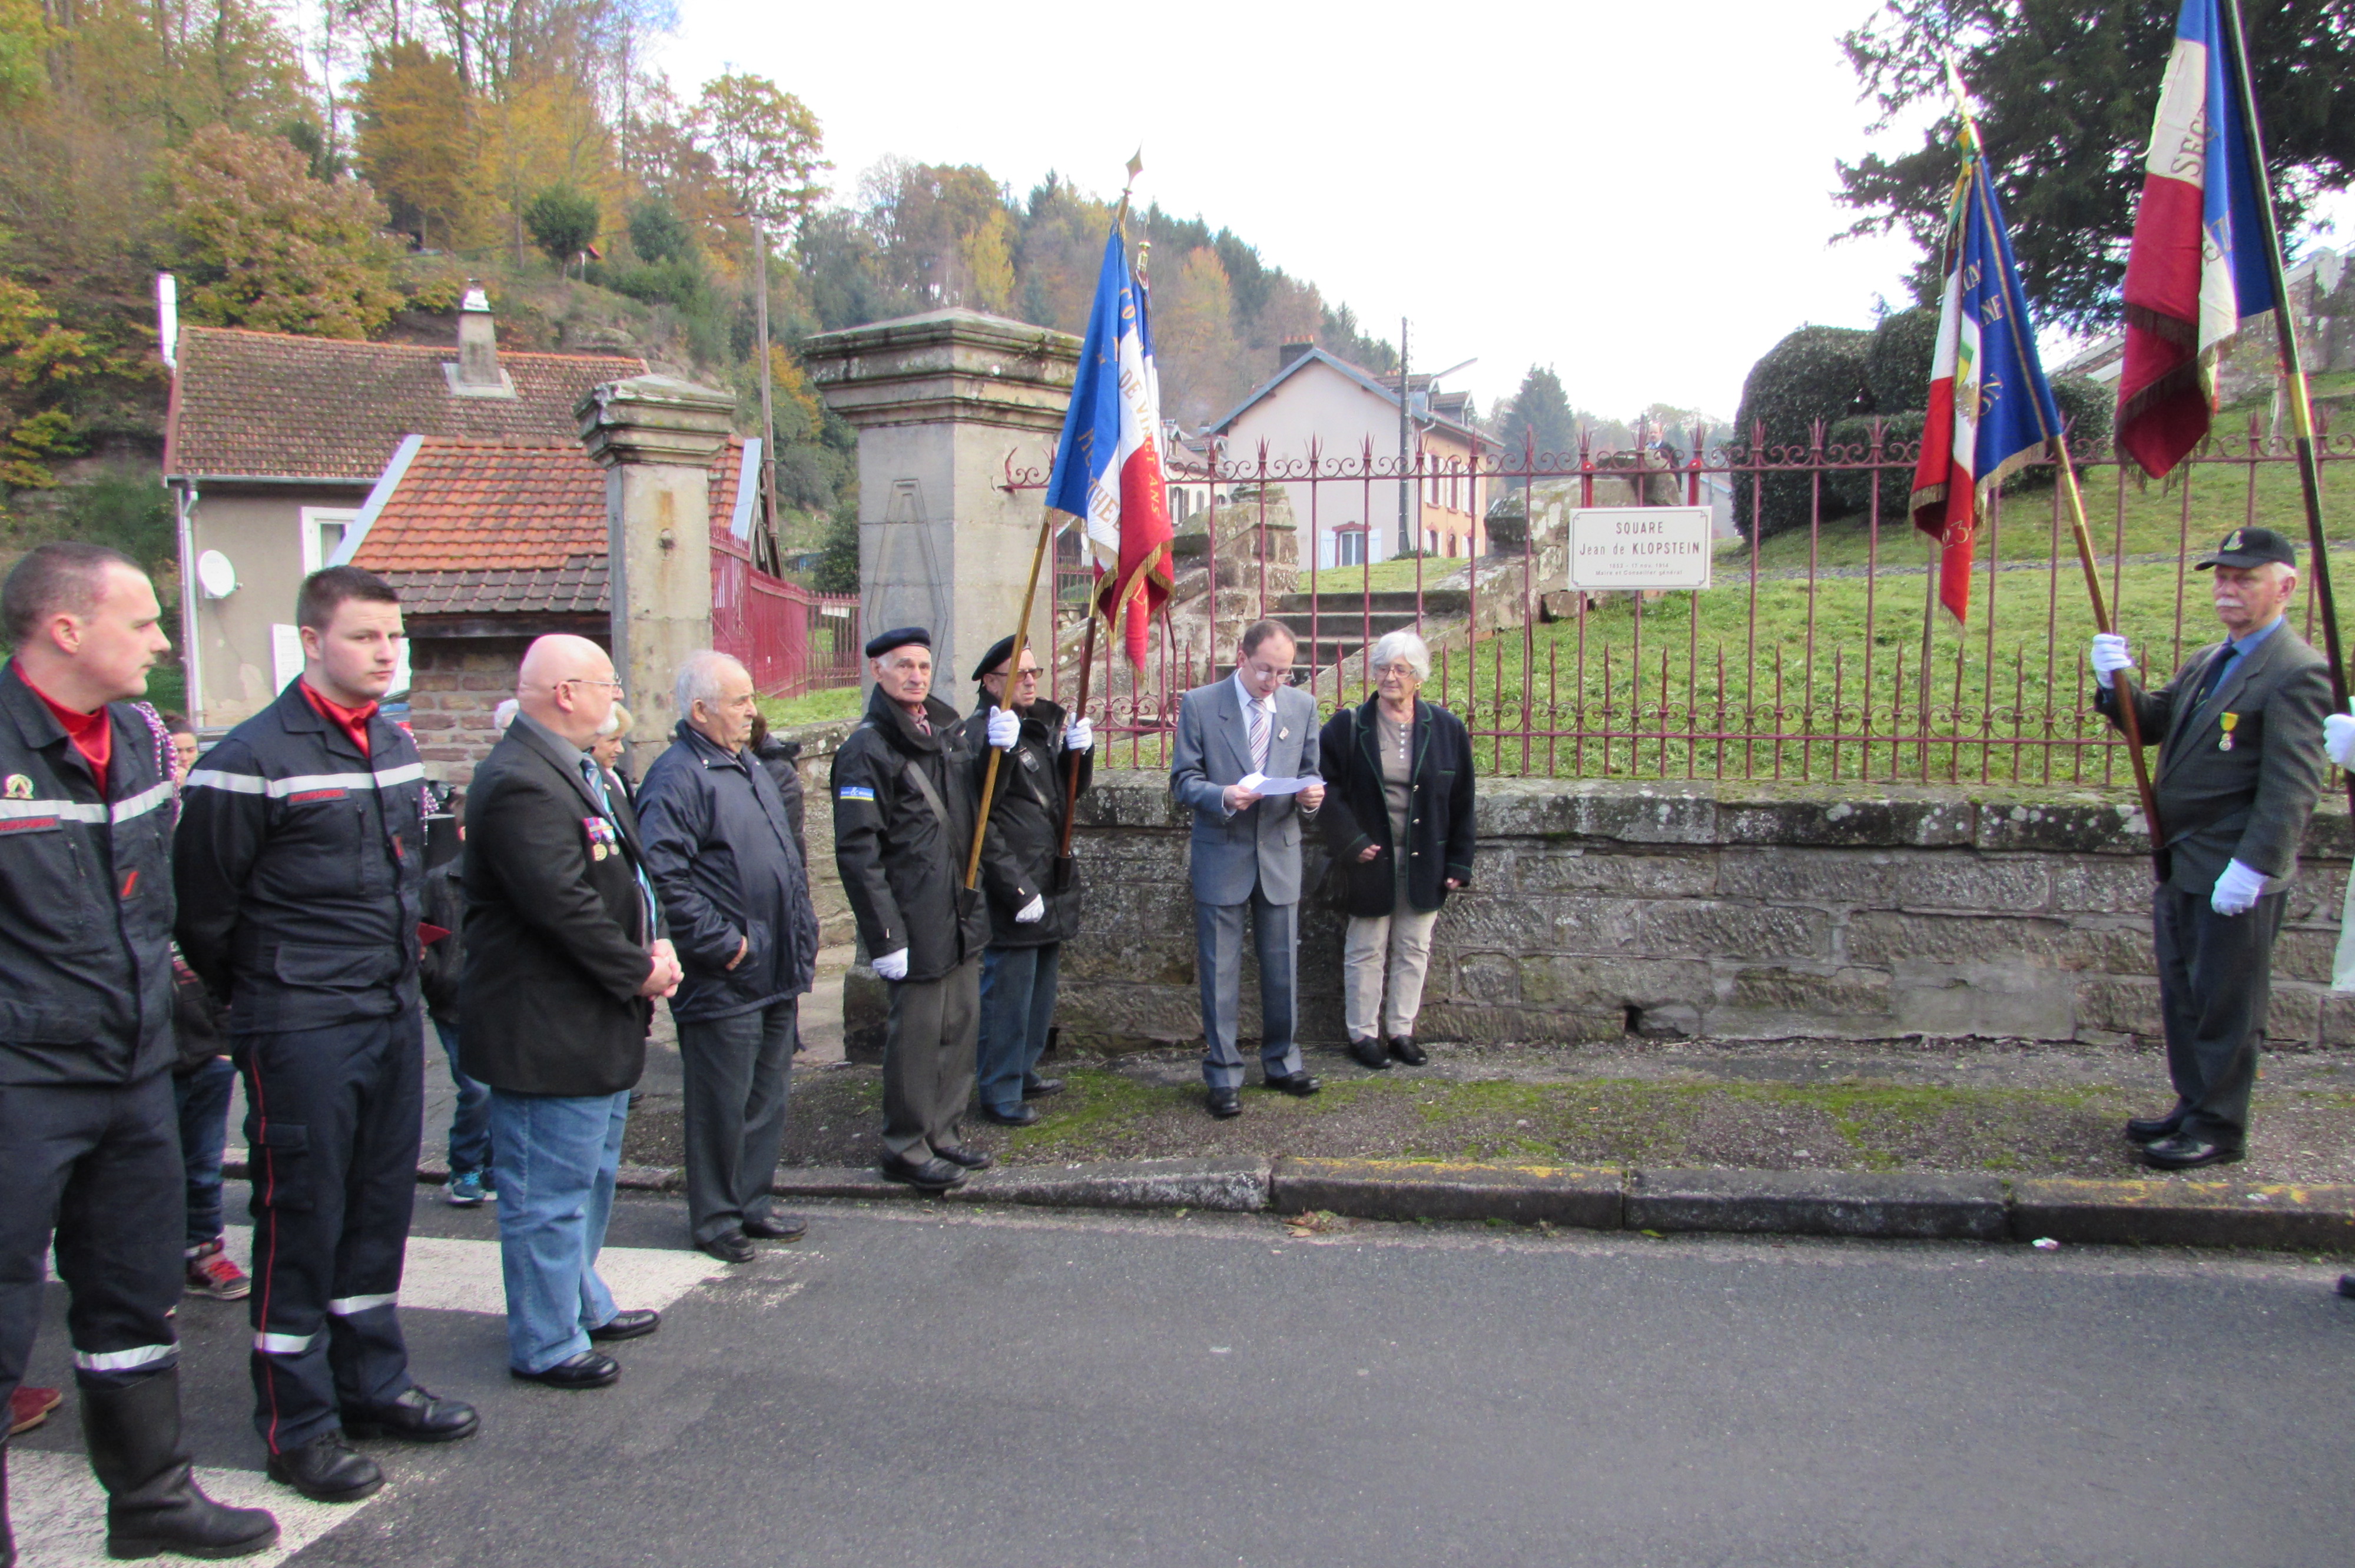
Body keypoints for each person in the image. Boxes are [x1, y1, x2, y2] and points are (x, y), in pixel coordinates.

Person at [177, 565, 480, 1501]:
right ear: (312, 642)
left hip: (386, 1010)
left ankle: (371, 1383)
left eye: (396, 637)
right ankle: (297, 1422)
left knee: (379, 1206)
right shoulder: (249, 758)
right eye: (365, 637)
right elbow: (205, 913)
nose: (388, 653)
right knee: (303, 1214)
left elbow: (412, 875)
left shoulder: (392, 743)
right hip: (299, 1019)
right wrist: (269, 995)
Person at [0, 542, 278, 1562]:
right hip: (21, 1075)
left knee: (131, 1294)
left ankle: (151, 1496)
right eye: (144, 621)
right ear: (67, 628)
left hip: (132, 1069)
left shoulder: (136, 737)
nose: (164, 641)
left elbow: (158, 893)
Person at [460, 636, 681, 1390]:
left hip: (594, 1017)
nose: (615, 696)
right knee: (545, 1195)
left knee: (588, 1180)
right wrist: (640, 969)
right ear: (565, 693)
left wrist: (656, 942)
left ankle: (580, 1301)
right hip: (545, 1028)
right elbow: (562, 906)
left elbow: (630, 878)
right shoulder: (520, 780)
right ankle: (547, 1341)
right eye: (606, 683)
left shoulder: (581, 769)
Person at [2089, 526, 2330, 1171]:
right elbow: (2154, 723)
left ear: (2284, 586)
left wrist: (2254, 867)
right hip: (2184, 859)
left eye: (2244, 578)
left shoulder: (2296, 671)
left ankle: (2219, 1127)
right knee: (2186, 996)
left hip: (2232, 866)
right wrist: (2116, 683)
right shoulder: (2210, 658)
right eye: (2221, 577)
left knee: (2227, 1004)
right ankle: (2193, 1103)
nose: (2227, 589)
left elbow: (2291, 787)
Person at [636, 653, 820, 1262]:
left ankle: (752, 1203)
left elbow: (784, 856)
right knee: (721, 1104)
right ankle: (716, 1219)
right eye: (739, 701)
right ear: (700, 710)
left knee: (766, 1096)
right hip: (725, 973)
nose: (752, 711)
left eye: (751, 698)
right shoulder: (676, 777)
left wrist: (798, 930)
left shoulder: (748, 766)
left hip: (772, 965)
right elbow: (664, 876)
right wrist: (724, 943)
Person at [831, 627, 1004, 1191]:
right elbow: (859, 853)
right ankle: (905, 1147)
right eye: (903, 665)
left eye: (924, 667)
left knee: (960, 1026)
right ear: (877, 671)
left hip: (960, 909)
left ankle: (944, 1132)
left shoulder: (947, 733)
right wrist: (885, 937)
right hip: (913, 917)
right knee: (917, 1039)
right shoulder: (866, 750)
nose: (916, 676)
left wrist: (995, 752)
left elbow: (977, 809)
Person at [1170, 620, 1326, 1119]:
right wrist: (1222, 795)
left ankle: (1283, 1062)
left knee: (1282, 969)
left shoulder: (1301, 706)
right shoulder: (1200, 704)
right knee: (1219, 971)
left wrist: (1311, 796)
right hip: (1223, 853)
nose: (1272, 681)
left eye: (1283, 673)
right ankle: (1223, 1075)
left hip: (1279, 853)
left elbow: (1310, 771)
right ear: (1241, 658)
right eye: (1264, 670)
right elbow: (1183, 780)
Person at [1316, 631, 1476, 1071]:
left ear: (1418, 677)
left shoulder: (1447, 729)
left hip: (1427, 857)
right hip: (1369, 859)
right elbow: (1323, 789)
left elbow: (1463, 800)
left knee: (1414, 947)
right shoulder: (1348, 726)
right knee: (1365, 948)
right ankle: (1363, 1035)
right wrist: (1350, 840)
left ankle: (1402, 1031)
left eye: (1401, 670)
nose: (1390, 677)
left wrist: (1459, 861)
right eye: (1383, 668)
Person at [961, 634, 1092, 1126]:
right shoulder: (982, 736)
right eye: (1019, 674)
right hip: (1016, 884)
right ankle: (998, 1087)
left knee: (1040, 989)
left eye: (1035, 672)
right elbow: (981, 824)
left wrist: (1080, 755)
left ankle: (1023, 1069)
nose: (1032, 680)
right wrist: (1016, 887)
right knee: (1008, 995)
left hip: (1049, 877)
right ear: (991, 683)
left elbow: (1066, 797)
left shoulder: (1035, 728)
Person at [158, 713, 253, 1302]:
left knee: (202, 1154)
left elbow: (216, 925)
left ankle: (203, 1248)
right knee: (146, 1161)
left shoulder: (201, 823)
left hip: (204, 1021)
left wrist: (223, 1025)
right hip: (150, 1031)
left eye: (187, 751)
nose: (180, 762)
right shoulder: (138, 831)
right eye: (172, 753)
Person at [417, 790, 493, 1207]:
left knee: (501, 1089)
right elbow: (418, 933)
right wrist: (436, 975)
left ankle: (491, 1164)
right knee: (477, 1089)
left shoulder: (506, 878)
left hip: (497, 1000)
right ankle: (464, 1168)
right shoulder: (439, 882)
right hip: (455, 1002)